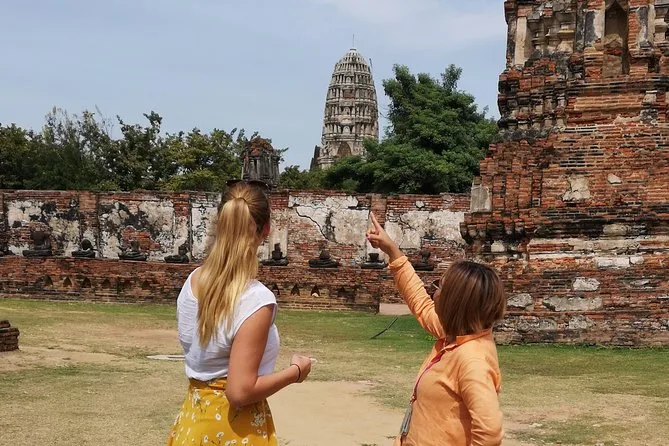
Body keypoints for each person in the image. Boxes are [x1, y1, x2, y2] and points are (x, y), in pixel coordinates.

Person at [167, 182, 312, 446]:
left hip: (193, 421)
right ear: (266, 229)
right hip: (234, 430)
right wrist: (296, 372)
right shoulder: (255, 300)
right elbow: (239, 392)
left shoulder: (193, 282)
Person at [366, 213, 505, 446]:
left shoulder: (472, 360)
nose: (434, 291)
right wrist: (392, 251)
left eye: (440, 286)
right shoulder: (454, 336)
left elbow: (490, 434)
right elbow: (420, 302)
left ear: (454, 301)